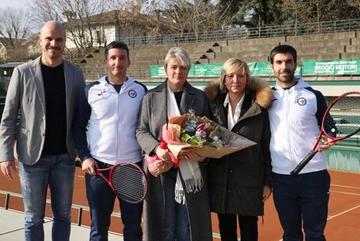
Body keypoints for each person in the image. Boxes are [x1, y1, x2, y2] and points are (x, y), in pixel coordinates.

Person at [0, 21, 85, 241]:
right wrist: (5, 155)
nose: (54, 44)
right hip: (32, 159)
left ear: (64, 42)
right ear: (40, 40)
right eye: (49, 39)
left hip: (65, 158)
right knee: (33, 218)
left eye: (59, 40)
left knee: (63, 216)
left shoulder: (76, 74)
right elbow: (8, 118)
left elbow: (81, 117)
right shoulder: (22, 72)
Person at [136, 46, 213, 241]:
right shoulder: (150, 97)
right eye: (174, 67)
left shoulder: (199, 97)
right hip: (162, 170)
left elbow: (209, 133)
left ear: (188, 69)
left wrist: (202, 155)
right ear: (166, 68)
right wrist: (156, 149)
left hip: (190, 169)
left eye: (183, 67)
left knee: (186, 224)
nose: (178, 72)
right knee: (166, 224)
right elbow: (141, 130)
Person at [72, 40, 147, 241]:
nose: (117, 62)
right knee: (98, 228)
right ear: (105, 62)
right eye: (113, 58)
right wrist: (85, 156)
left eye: (122, 58)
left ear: (129, 62)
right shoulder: (91, 90)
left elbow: (148, 127)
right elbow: (78, 128)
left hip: (131, 168)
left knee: (132, 228)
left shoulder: (140, 90)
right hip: (98, 169)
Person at [268, 44, 333, 241]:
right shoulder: (265, 98)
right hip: (281, 177)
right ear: (271, 67)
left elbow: (329, 127)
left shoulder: (314, 95)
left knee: (314, 234)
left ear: (295, 64)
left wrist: (329, 137)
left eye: (288, 61)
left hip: (314, 175)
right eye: (279, 62)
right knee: (291, 235)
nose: (284, 66)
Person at [204, 58, 273, 241]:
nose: (236, 80)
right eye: (231, 76)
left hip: (249, 181)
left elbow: (266, 146)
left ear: (247, 79)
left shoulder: (259, 107)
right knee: (226, 232)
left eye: (241, 76)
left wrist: (267, 182)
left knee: (249, 231)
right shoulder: (212, 105)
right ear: (224, 79)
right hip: (221, 181)